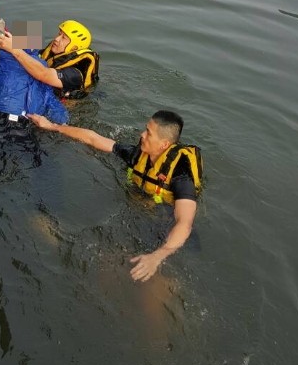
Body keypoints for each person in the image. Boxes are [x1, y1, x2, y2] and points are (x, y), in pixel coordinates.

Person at [29, 109, 202, 282]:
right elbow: (93, 138)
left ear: (164, 144)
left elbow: (184, 223)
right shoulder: (137, 155)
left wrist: (158, 256)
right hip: (142, 212)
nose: (142, 135)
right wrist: (52, 126)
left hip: (168, 228)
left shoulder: (181, 176)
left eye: (148, 133)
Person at [0, 27, 70, 165]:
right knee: (37, 160)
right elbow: (48, 97)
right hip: (23, 122)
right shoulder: (40, 66)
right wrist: (62, 121)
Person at [0, 19, 99, 98]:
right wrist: (5, 35)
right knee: (29, 30)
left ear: (74, 47)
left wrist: (13, 49)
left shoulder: (75, 74)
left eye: (64, 38)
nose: (56, 39)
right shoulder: (55, 51)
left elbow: (43, 74)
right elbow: (32, 55)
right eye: (59, 33)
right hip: (42, 90)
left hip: (63, 108)